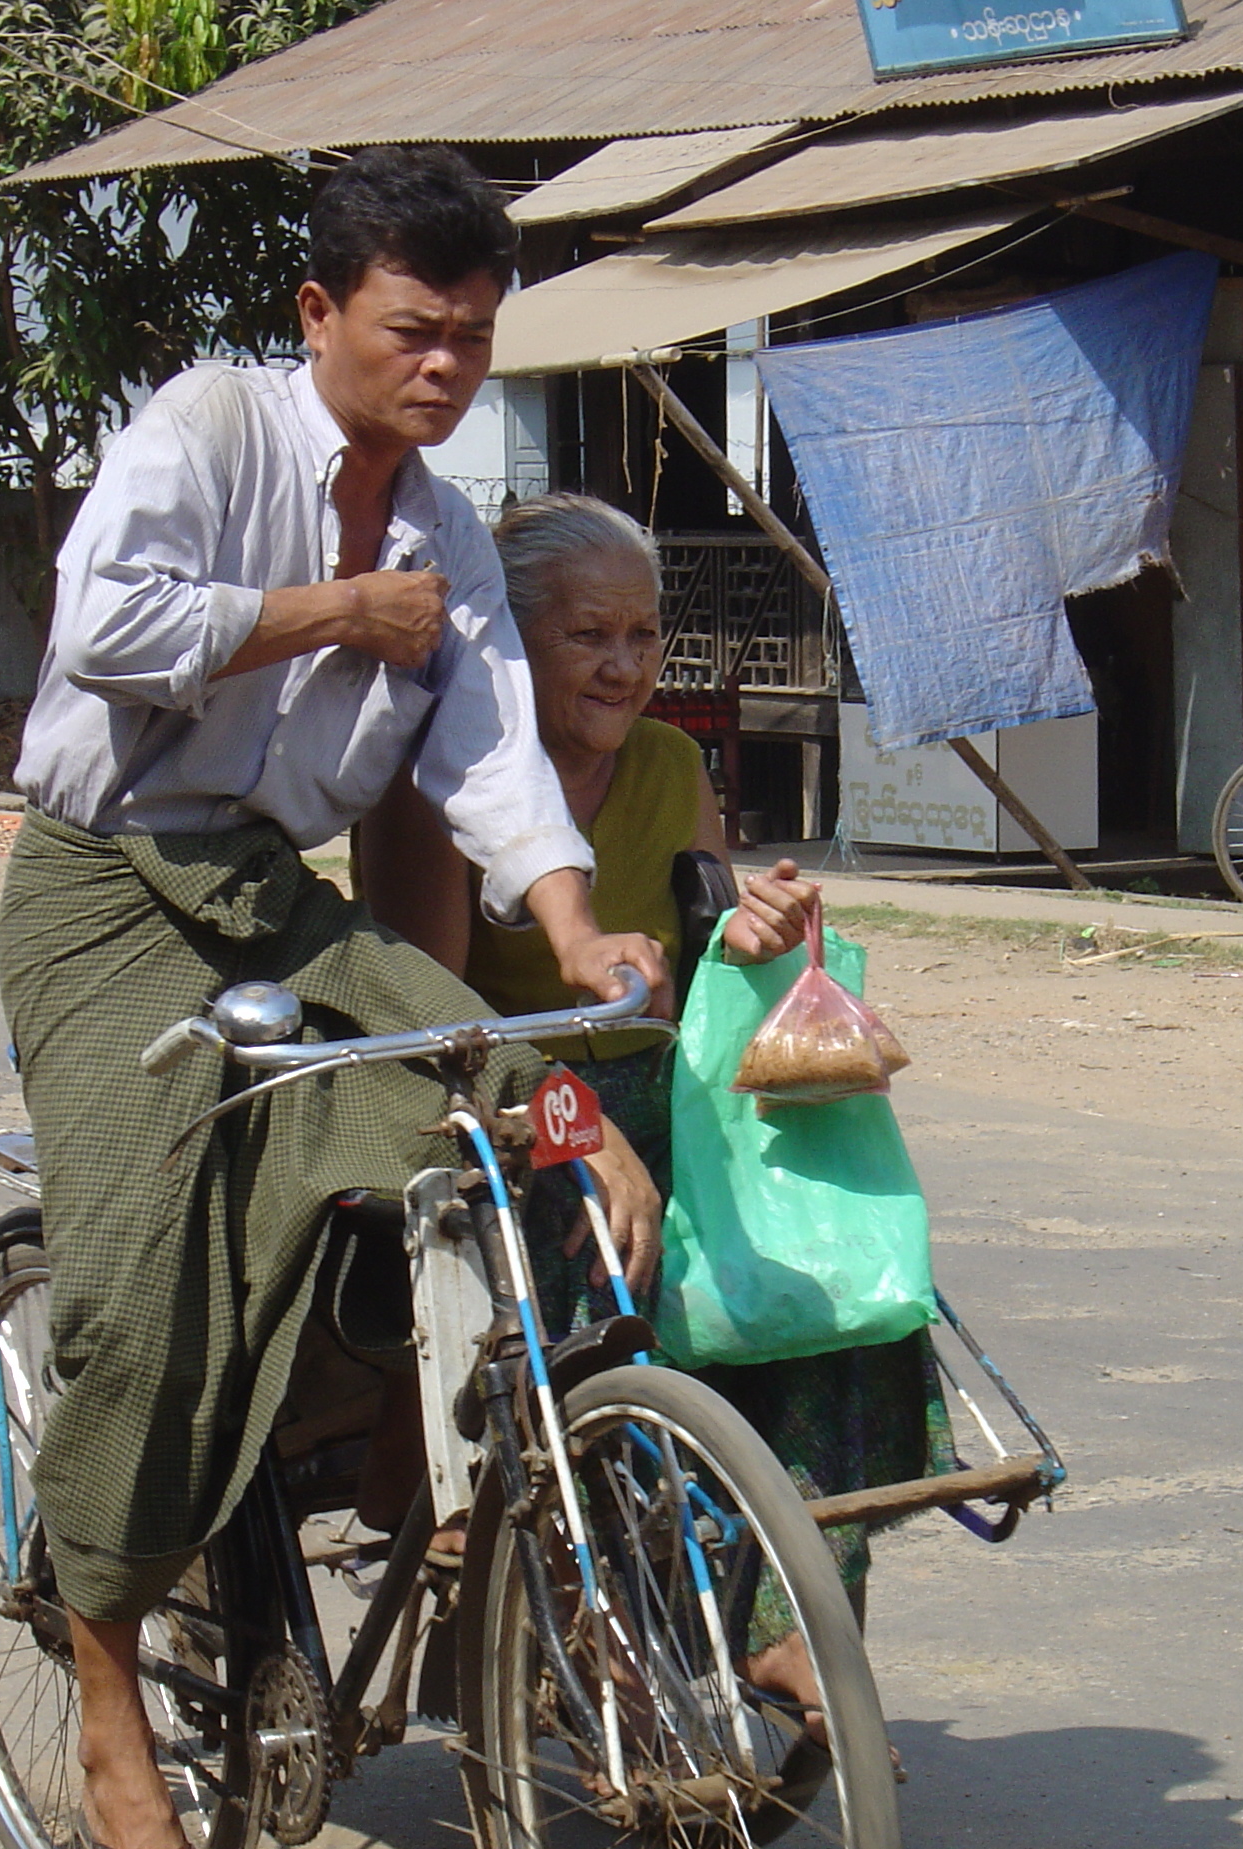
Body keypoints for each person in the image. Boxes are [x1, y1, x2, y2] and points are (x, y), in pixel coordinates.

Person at [0, 155, 668, 1849]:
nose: (444, 363)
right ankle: (108, 1690)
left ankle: (441, 1519)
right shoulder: (210, 430)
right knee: (139, 1295)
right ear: (320, 317)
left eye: (472, 334)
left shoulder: (444, 529)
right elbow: (98, 622)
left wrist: (581, 922)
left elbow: (488, 756)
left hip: (262, 893)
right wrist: (319, 613)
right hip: (102, 891)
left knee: (499, 1100)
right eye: (410, 329)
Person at [356, 492, 953, 1724]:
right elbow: (439, 1027)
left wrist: (747, 926)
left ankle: (793, 1617)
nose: (625, 665)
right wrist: (582, 1121)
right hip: (501, 1103)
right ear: (517, 647)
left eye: (642, 635)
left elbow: (696, 936)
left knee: (823, 1280)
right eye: (589, 637)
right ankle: (585, 1607)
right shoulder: (436, 787)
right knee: (598, 1259)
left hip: (660, 1086)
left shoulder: (673, 763)